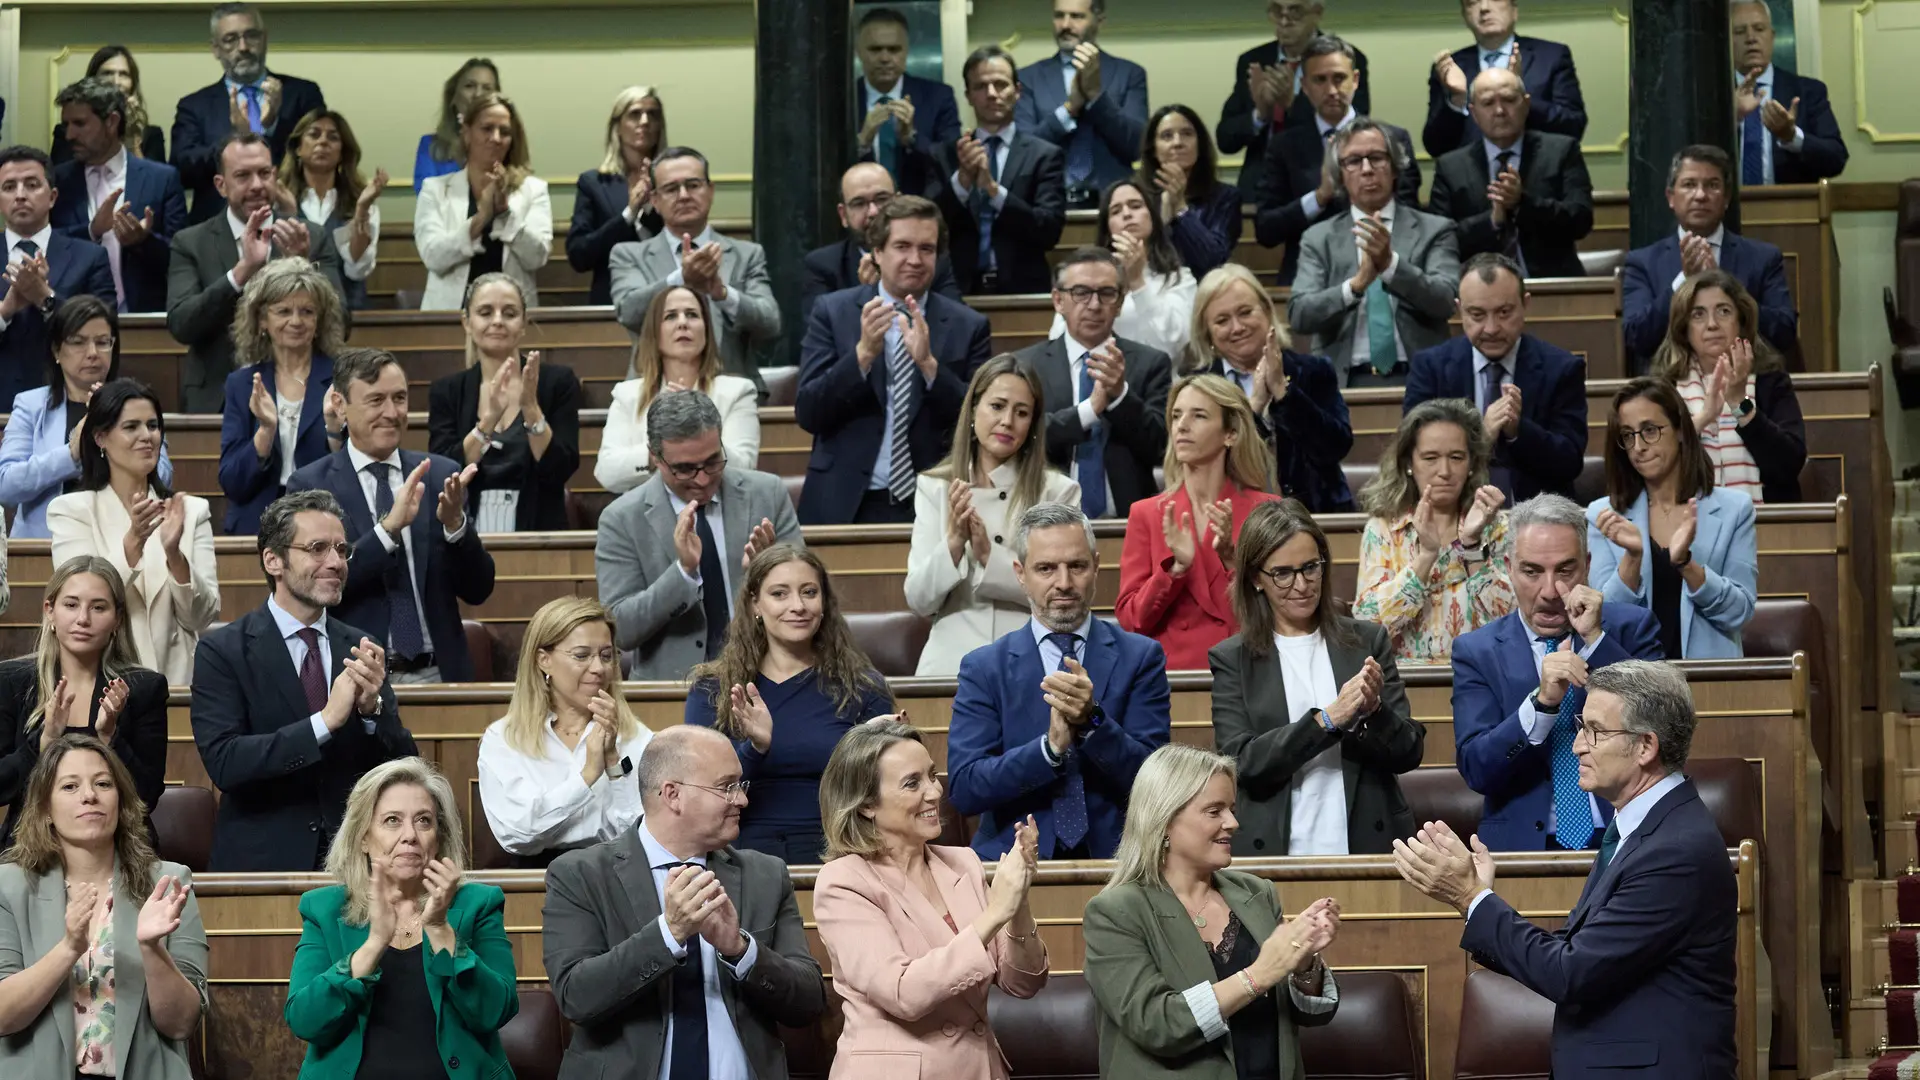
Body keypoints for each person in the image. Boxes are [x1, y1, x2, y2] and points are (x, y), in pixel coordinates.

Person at [1392, 660, 1737, 1078]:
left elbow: (1570, 972)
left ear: (1646, 746)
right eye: (1580, 726)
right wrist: (1476, 902)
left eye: (1595, 730)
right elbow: (1577, 950)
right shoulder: (1643, 828)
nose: (1576, 745)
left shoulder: (1675, 851)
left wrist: (1472, 898)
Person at [541, 725, 828, 1078]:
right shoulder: (580, 874)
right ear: (672, 795)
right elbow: (576, 997)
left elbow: (809, 1001)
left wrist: (740, 950)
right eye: (727, 787)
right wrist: (668, 933)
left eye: (741, 786)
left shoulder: (765, 875)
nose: (742, 799)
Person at [189, 489, 416, 871]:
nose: (335, 562)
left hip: (354, 866)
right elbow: (226, 763)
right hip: (262, 866)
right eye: (317, 548)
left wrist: (372, 712)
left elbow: (404, 767)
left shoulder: (361, 645)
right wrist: (323, 723)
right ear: (273, 560)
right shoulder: (223, 651)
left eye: (342, 550)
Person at [1082, 745, 1340, 1079]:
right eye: (1214, 811)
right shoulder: (1115, 912)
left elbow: (1306, 1015)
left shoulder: (1256, 893)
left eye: (1231, 809)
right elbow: (1156, 1023)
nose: (1232, 822)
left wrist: (1304, 961)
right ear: (1164, 819)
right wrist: (1259, 974)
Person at [814, 721, 1050, 1078]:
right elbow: (903, 992)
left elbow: (1024, 983)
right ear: (866, 805)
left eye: (932, 776)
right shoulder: (844, 882)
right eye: (913, 783)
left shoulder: (963, 862)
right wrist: (995, 913)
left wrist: (1017, 903)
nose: (935, 792)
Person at [948, 501, 1172, 860]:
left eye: (1077, 566)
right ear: (1021, 573)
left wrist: (1092, 720)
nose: (1064, 583)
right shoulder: (984, 668)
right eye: (1046, 568)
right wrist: (1048, 751)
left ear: (1097, 566)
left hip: (1121, 866)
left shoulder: (1141, 658)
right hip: (1013, 862)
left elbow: (1158, 784)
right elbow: (965, 789)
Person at [1450, 493, 1663, 851]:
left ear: (1588, 565)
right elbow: (1477, 769)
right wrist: (1542, 704)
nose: (1550, 591)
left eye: (1565, 570)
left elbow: (1663, 734)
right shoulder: (1477, 651)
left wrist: (1595, 641)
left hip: (1626, 841)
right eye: (1532, 571)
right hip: (1522, 850)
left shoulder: (1631, 629)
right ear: (1509, 568)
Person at [284, 757, 519, 1080]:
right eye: (392, 820)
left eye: (424, 821)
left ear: (438, 838)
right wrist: (374, 943)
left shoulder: (478, 903)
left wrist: (440, 930)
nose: (410, 835)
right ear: (363, 838)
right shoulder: (323, 909)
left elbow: (494, 1012)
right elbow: (305, 1020)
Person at [1210, 500, 1423, 856]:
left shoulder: (1367, 641)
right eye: (1283, 573)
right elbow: (1242, 764)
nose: (1302, 584)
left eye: (1311, 567)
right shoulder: (1233, 658)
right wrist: (1326, 721)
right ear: (1255, 579)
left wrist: (1374, 713)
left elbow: (1409, 752)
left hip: (1368, 844)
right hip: (1275, 852)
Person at [0, 733, 206, 1080]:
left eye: (103, 783)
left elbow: (182, 1023)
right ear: (45, 810)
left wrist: (151, 948)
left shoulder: (169, 883)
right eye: (69, 787)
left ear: (120, 802)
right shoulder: (9, 887)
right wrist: (68, 949)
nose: (89, 795)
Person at [290, 347, 498, 683]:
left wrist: (455, 526)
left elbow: (478, 589)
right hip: (354, 680)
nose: (392, 412)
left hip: (440, 676)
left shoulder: (439, 475)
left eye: (399, 398)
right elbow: (312, 587)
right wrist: (387, 531)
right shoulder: (311, 486)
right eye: (376, 400)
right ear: (341, 406)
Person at [687, 545, 896, 863]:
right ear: (756, 603)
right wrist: (755, 749)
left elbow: (882, 793)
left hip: (842, 855)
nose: (798, 606)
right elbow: (702, 790)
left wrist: (862, 754)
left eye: (809, 592)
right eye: (780, 594)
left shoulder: (863, 687)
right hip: (738, 857)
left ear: (824, 602)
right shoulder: (713, 688)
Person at [796, 195, 992, 525]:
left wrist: (930, 366)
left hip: (935, 503)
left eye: (926, 249)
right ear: (877, 251)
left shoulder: (968, 325)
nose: (915, 259)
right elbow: (809, 411)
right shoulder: (833, 312)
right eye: (902, 246)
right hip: (844, 500)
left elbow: (979, 424)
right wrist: (862, 356)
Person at [597, 390, 802, 680]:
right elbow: (621, 630)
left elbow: (809, 597)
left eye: (712, 461)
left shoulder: (767, 495)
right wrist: (683, 572)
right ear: (655, 457)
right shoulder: (621, 519)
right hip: (672, 690)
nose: (703, 479)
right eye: (684, 469)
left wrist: (767, 573)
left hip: (768, 677)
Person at [905, 354, 1080, 677]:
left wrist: (988, 555)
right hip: (951, 660)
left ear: (1033, 425)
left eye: (1022, 412)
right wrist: (955, 542)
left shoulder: (1058, 491)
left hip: (1031, 658)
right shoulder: (935, 486)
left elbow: (1063, 594)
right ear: (973, 410)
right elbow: (919, 599)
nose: (1007, 421)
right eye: (997, 406)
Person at [49, 380, 217, 685]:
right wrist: (133, 542)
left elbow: (201, 617)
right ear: (101, 438)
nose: (146, 437)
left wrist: (174, 555)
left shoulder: (191, 511)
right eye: (131, 427)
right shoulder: (70, 511)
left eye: (153, 426)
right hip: (101, 683)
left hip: (176, 686)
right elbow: (81, 604)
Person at [165, 132, 345, 412]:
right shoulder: (191, 242)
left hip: (302, 394)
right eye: (243, 176)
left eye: (264, 173)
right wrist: (242, 271)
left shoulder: (311, 236)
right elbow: (182, 324)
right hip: (217, 398)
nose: (257, 185)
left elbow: (342, 323)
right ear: (221, 185)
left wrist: (303, 270)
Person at [1116, 375, 1281, 671]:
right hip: (1173, 681)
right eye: (1176, 415)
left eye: (1199, 415)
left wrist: (1232, 562)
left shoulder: (1266, 510)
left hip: (1248, 672)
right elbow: (1132, 621)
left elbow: (1282, 610)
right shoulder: (1146, 513)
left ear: (1230, 433)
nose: (1182, 425)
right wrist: (1175, 570)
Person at [0, 557, 165, 851]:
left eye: (98, 607)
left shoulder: (143, 689)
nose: (83, 619)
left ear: (117, 619)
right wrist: (45, 740)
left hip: (118, 849)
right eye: (71, 604)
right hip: (28, 850)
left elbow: (146, 797)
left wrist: (109, 737)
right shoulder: (11, 682)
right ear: (49, 611)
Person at [1588, 378, 1757, 660]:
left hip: (1709, 682)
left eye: (1650, 431)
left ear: (1679, 430)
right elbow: (1602, 623)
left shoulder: (1734, 510)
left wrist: (1687, 566)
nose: (1638, 446)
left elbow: (1739, 613)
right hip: (1634, 687)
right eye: (1628, 435)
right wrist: (1632, 558)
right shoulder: (1602, 515)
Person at [477, 597, 651, 866]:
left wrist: (614, 765)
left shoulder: (634, 736)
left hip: (617, 872)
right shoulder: (503, 739)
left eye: (606, 656)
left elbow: (643, 833)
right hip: (536, 879)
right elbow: (518, 833)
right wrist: (587, 776)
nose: (598, 668)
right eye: (582, 655)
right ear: (544, 660)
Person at [1288, 119, 1461, 388]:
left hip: (1420, 379)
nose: (1367, 169)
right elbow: (1300, 314)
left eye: (1377, 158)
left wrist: (1390, 265)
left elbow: (1445, 301)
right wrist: (1355, 286)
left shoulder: (1435, 230)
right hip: (1343, 382)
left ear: (1394, 167)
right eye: (1354, 161)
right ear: (1341, 174)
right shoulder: (1318, 238)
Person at [1401, 253, 1588, 502]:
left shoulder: (1562, 368)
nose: (1491, 328)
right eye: (1477, 315)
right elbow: (1413, 453)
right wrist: (1480, 436)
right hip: (1452, 514)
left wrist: (1516, 430)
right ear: (1460, 310)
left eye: (1504, 313)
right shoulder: (1430, 367)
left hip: (1536, 520)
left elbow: (1569, 462)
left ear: (1525, 304)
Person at [1014, 246, 1172, 522]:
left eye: (1106, 293)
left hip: (1128, 524)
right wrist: (1089, 410)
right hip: (1044, 522)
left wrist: (1121, 395)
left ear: (1120, 302)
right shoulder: (1027, 366)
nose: (1095, 304)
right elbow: (1022, 439)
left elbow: (1160, 446)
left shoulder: (1150, 363)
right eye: (1081, 292)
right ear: (1058, 300)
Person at [1252, 35, 1421, 287]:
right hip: (1311, 279)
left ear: (1355, 80)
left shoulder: (1392, 138)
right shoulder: (1284, 146)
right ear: (1304, 86)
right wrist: (1319, 197)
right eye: (1320, 80)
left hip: (1382, 273)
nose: (1331, 90)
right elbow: (1266, 230)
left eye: (1339, 78)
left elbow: (1409, 217)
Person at [1185, 263, 1354, 513]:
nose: (1237, 327)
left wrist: (1283, 392)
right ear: (1207, 333)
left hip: (1314, 516)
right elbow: (1200, 464)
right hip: (1230, 520)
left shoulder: (1313, 370)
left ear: (1266, 311)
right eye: (1222, 320)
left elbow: (1335, 446)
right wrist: (1253, 409)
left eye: (1245, 312)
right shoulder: (1197, 389)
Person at [1354, 398, 1514, 662]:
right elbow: (1369, 628)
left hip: (1483, 680)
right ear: (1408, 462)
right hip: (1404, 685)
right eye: (1430, 458)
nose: (1445, 471)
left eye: (1456, 457)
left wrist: (1473, 546)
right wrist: (1426, 557)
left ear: (1472, 463)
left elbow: (1510, 624)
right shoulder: (1382, 529)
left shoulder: (1495, 527)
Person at [0, 296, 172, 539]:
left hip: (121, 541)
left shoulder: (135, 402)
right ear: (57, 350)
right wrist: (70, 454)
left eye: (103, 342)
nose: (92, 353)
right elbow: (5, 486)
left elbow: (163, 476)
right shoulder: (31, 406)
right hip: (44, 546)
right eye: (78, 342)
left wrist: (115, 432)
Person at [427, 273, 580, 532]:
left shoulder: (557, 383)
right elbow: (445, 472)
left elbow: (560, 469)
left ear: (523, 323)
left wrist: (531, 409)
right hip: (465, 535)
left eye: (509, 313)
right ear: (466, 322)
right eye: (486, 312)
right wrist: (488, 420)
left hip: (540, 532)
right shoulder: (447, 391)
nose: (497, 321)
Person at [611, 146, 779, 382]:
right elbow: (628, 312)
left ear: (710, 191)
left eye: (693, 185)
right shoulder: (629, 254)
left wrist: (722, 293)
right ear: (655, 201)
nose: (683, 195)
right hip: (653, 391)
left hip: (731, 390)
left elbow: (770, 323)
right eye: (671, 188)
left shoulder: (747, 254)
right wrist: (681, 278)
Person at [1622, 145, 1796, 370]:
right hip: (1670, 395)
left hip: (1746, 394)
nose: (1701, 195)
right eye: (1689, 185)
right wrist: (1683, 280)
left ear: (1726, 199)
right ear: (1671, 197)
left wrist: (1729, 289)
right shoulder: (1643, 262)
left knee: (1741, 408)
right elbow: (1637, 337)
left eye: (1712, 185)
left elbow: (1784, 333)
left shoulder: (1763, 258)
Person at [912, 44, 1067, 295]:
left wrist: (994, 192)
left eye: (1001, 84)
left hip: (1023, 290)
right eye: (981, 86)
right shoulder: (943, 155)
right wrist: (961, 182)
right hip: (956, 291)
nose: (992, 93)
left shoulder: (1044, 155)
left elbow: (1049, 232)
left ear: (1017, 91)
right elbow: (927, 226)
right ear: (968, 95)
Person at [1648, 268, 1806, 503]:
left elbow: (1788, 464)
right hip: (1686, 526)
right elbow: (1651, 463)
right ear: (1684, 328)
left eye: (1723, 311)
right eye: (1698, 315)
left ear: (1741, 322)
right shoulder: (1664, 388)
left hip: (1764, 528)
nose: (1712, 324)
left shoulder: (1770, 380)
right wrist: (1703, 419)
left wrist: (1740, 405)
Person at [1425, 68, 1593, 278]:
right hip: (1479, 292)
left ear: (1526, 104)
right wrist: (1492, 221)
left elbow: (1581, 221)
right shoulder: (1451, 166)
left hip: (1553, 287)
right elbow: (1439, 239)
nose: (1499, 111)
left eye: (1508, 100)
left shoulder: (1562, 151)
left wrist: (1522, 202)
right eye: (1488, 103)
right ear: (1474, 113)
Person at [218, 256, 344, 536]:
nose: (296, 321)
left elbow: (356, 474)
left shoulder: (342, 379)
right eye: (283, 311)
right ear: (262, 320)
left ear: (319, 320)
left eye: (307, 312)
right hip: (256, 526)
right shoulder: (242, 384)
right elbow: (232, 481)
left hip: (325, 521)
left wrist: (335, 432)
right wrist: (265, 431)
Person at [597, 286, 761, 493]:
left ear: (707, 330)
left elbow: (746, 468)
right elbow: (606, 473)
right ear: (654, 332)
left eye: (692, 315)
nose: (683, 323)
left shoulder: (737, 392)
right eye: (671, 316)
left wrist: (698, 426)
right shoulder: (627, 395)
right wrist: (660, 447)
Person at [172, 3, 326, 223]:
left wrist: (272, 126)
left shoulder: (302, 94)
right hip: (218, 231)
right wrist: (236, 139)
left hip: (292, 221)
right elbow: (183, 172)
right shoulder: (194, 106)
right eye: (230, 39)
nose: (243, 47)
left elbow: (320, 160)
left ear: (264, 39)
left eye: (251, 36)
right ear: (215, 48)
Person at [51, 77, 188, 315]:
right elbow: (47, 246)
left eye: (80, 124)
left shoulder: (161, 179)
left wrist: (142, 240)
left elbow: (182, 260)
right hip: (75, 322)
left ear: (112, 122)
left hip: (145, 323)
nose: (69, 134)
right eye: (66, 124)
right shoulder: (58, 182)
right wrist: (92, 230)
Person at [1217, 0, 1373, 201]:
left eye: (1295, 11)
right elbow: (1226, 139)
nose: (1284, 20)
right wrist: (1260, 114)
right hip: (1262, 187)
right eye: (1276, 11)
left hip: (1322, 182)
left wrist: (1292, 103)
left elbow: (1353, 128)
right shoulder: (1254, 61)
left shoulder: (1344, 59)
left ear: (1317, 13)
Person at [0, 145, 115, 411]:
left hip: (68, 403)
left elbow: (105, 332)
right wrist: (5, 310)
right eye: (9, 187)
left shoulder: (91, 257)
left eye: (31, 185)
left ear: (52, 197)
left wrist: (45, 297)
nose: (20, 195)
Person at [414, 92, 551, 311]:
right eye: (487, 129)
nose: (496, 138)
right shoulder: (435, 189)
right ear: (467, 133)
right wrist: (479, 220)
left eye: (504, 132)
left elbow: (536, 258)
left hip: (511, 320)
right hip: (446, 320)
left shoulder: (533, 190)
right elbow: (433, 257)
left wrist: (505, 214)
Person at [1014, 0, 1149, 207]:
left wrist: (1096, 97)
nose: (1065, 25)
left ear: (1099, 21)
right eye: (1059, 16)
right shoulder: (1028, 78)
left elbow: (1136, 146)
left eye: (1077, 17)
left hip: (1113, 206)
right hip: (1047, 205)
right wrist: (1069, 109)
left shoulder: (1129, 74)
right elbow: (1023, 151)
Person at [800, 161, 962, 326]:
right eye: (859, 203)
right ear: (843, 215)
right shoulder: (822, 265)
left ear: (899, 202)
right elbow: (820, 337)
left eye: (882, 199)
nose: (873, 212)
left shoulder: (930, 258)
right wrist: (867, 293)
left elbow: (956, 327)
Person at [1050, 178, 1196, 359]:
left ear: (1152, 215)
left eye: (1135, 206)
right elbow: (1058, 341)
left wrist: (1137, 283)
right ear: (1108, 227)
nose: (1127, 214)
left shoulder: (1180, 279)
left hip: (1162, 382)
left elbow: (1173, 348)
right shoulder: (1082, 279)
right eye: (1116, 211)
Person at [1422, 0, 1587, 156]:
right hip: (1470, 181)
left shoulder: (1552, 56)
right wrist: (1457, 100)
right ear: (1465, 16)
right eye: (1472, 2)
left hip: (1538, 176)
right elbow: (1435, 147)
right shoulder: (1451, 67)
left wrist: (1520, 96)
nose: (1484, 7)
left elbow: (1573, 127)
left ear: (1514, 11)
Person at [277, 108, 386, 311]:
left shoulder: (360, 200)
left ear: (342, 152)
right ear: (298, 148)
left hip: (349, 313)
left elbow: (357, 272)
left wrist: (362, 210)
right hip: (291, 311)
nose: (323, 142)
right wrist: (287, 213)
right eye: (314, 134)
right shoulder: (280, 197)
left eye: (333, 137)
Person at [569, 86, 666, 306]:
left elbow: (682, 241)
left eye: (652, 115)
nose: (645, 121)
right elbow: (579, 255)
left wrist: (651, 210)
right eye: (635, 114)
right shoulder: (594, 183)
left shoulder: (673, 180)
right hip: (611, 304)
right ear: (617, 127)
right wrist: (629, 214)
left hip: (665, 302)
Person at [1732, 0, 1847, 185]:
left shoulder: (1808, 91)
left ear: (1772, 36)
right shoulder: (1711, 95)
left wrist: (1792, 137)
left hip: (1792, 208)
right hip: (1726, 210)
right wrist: (1733, 118)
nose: (1751, 38)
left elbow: (1836, 159)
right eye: (1739, 31)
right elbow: (1687, 158)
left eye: (1759, 29)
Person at [855, 6, 962, 182]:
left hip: (920, 205)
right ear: (859, 52)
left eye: (894, 49)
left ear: (906, 51)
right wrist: (862, 143)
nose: (884, 58)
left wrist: (912, 138)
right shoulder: (843, 100)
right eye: (875, 49)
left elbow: (951, 162)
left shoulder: (938, 97)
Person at [1137, 104, 1241, 280]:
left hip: (1203, 295)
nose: (1177, 143)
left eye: (1187, 134)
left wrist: (1180, 209)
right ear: (1154, 149)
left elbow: (1213, 262)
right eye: (1167, 136)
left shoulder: (1225, 197)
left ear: (1199, 145)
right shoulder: (1136, 197)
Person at [51, 46, 167, 164]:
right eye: (107, 73)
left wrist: (131, 137)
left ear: (132, 84)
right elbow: (62, 177)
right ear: (92, 80)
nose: (116, 82)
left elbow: (153, 179)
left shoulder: (152, 134)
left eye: (124, 74)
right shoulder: (68, 130)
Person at [413, 57, 499, 194]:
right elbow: (427, 198)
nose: (478, 94)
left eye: (487, 88)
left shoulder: (505, 145)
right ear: (454, 97)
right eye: (469, 86)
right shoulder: (430, 146)